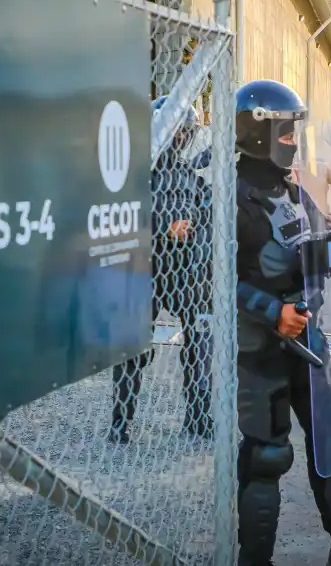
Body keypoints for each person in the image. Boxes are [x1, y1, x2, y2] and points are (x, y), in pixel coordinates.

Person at [232, 79, 331, 566]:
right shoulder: (230, 196)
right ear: (257, 131)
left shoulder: (290, 190)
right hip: (260, 350)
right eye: (284, 131)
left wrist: (315, 281)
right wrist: (271, 312)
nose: (291, 140)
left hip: (309, 338)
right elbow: (211, 278)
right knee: (266, 458)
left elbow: (316, 251)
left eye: (294, 131)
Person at [111, 98, 212, 444]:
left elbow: (205, 213)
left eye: (186, 131)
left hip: (185, 272)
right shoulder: (136, 173)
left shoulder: (187, 174)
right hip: (145, 269)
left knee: (200, 339)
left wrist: (196, 224)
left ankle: (198, 417)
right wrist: (164, 228)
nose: (182, 137)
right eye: (177, 130)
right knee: (134, 347)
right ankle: (120, 421)